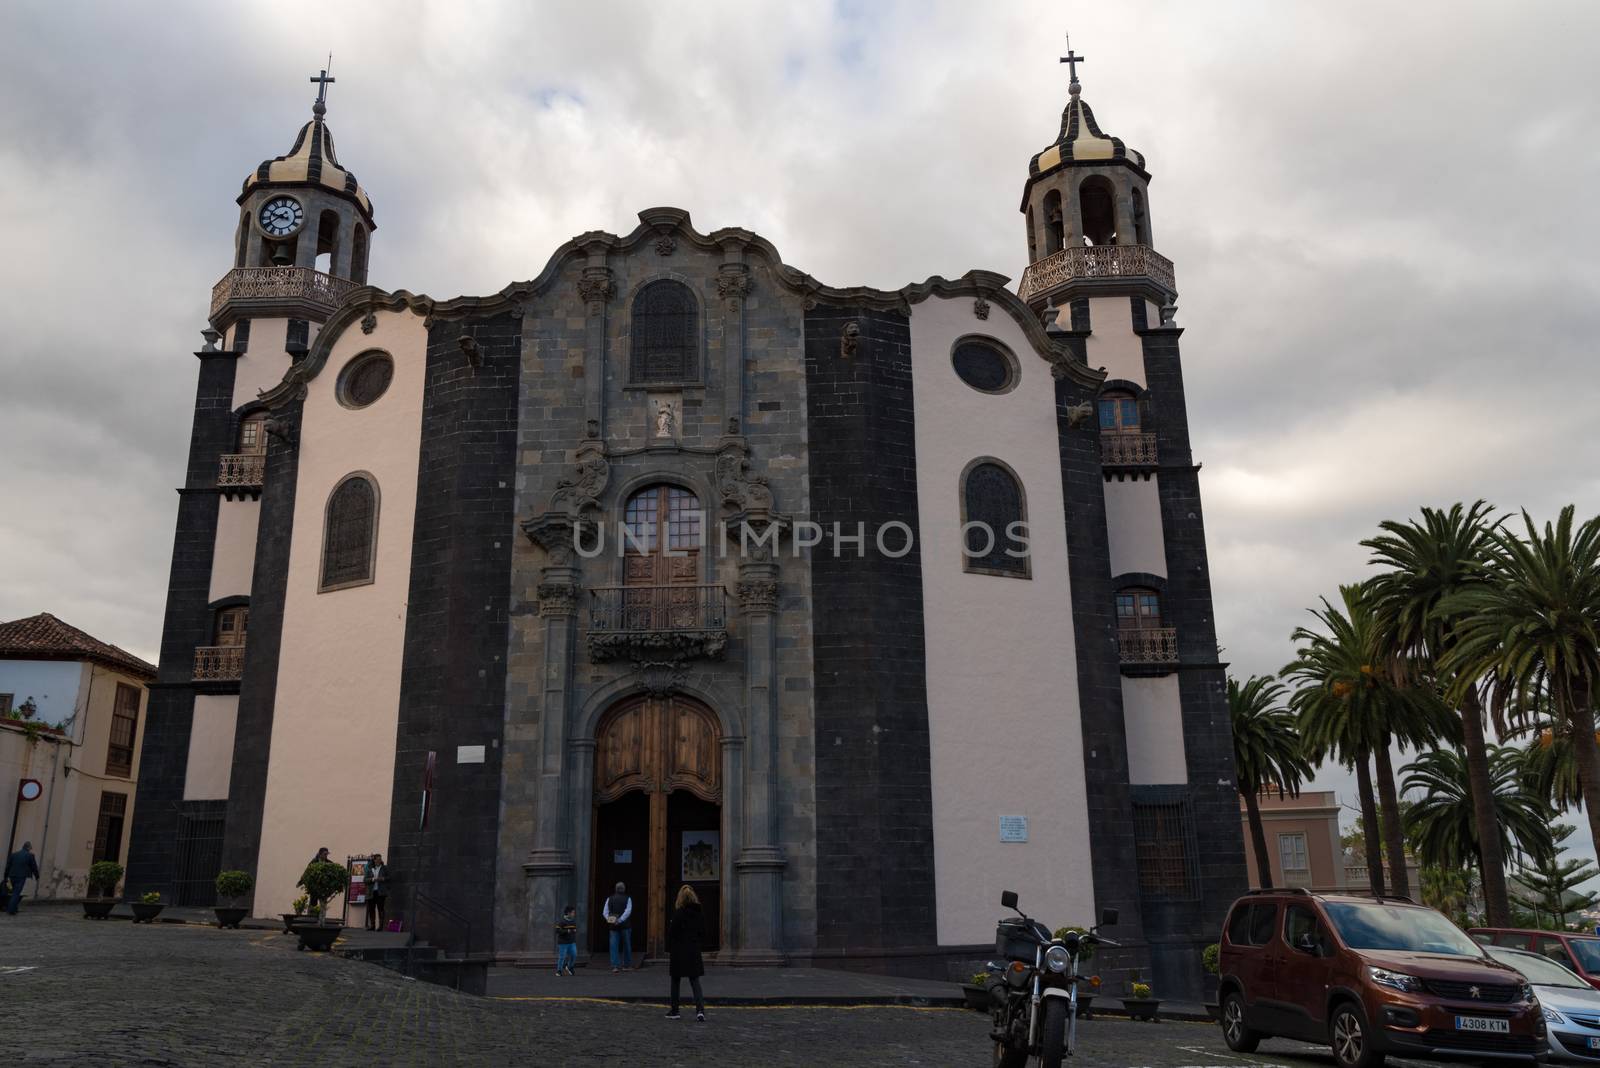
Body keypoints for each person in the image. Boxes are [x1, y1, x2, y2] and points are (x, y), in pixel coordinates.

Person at [666, 884, 706, 1021]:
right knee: (695, 980)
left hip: (679, 950)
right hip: (693, 950)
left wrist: (670, 947)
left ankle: (675, 1010)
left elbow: (672, 932)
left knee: (675, 980)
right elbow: (702, 932)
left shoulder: (678, 913)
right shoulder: (698, 913)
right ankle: (700, 1010)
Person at [603, 881, 633, 973]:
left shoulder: (610, 898)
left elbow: (605, 912)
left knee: (613, 946)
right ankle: (626, 965)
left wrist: (611, 920)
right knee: (627, 945)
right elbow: (628, 911)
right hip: (625, 926)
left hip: (613, 926)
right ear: (624, 889)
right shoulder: (628, 898)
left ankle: (615, 966)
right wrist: (619, 920)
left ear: (615, 889)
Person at [5, 842, 40, 915]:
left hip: (12, 876)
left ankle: (13, 907)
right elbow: (34, 867)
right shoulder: (30, 856)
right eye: (30, 848)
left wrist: (6, 875)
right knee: (17, 893)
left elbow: (8, 866)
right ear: (28, 848)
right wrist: (37, 876)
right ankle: (11, 909)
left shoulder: (14, 855)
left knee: (13, 892)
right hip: (22, 877)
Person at [365, 854, 389, 931]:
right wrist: (372, 879)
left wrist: (383, 878)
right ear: (374, 860)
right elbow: (365, 880)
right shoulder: (369, 869)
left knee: (380, 909)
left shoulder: (384, 868)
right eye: (378, 859)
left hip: (380, 892)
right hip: (371, 892)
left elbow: (389, 877)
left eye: (380, 859)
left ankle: (380, 926)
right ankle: (372, 925)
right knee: (371, 909)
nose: (379, 860)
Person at [554, 904, 578, 976]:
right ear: (568, 913)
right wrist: (566, 931)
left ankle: (570, 966)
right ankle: (559, 970)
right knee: (562, 957)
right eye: (573, 912)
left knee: (574, 955)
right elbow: (557, 930)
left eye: (574, 912)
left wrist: (574, 931)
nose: (574, 914)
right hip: (563, 943)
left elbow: (574, 929)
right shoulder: (562, 921)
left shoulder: (573, 921)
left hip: (572, 942)